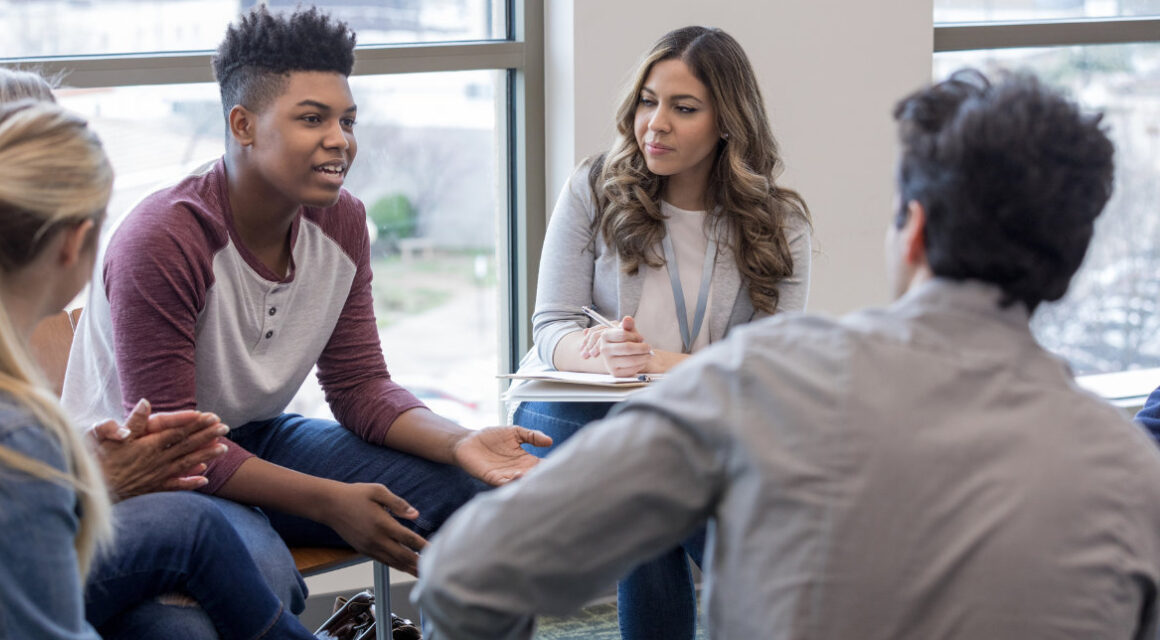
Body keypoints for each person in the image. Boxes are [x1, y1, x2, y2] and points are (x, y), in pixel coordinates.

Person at [416, 70, 1160, 639]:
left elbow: (465, 580)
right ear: (1069, 262)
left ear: (914, 231)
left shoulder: (762, 379)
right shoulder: (1135, 480)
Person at [61, 5, 550, 578]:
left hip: (260, 435)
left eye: (348, 121)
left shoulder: (341, 223)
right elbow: (177, 447)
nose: (339, 141)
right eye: (313, 119)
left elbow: (358, 385)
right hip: (142, 469)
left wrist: (460, 441)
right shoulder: (165, 239)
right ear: (243, 125)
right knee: (263, 573)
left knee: (467, 491)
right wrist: (329, 502)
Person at [0, 66, 312, 640]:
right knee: (185, 613)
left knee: (200, 532)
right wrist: (86, 482)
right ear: (72, 240)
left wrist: (81, 468)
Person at [511, 26, 811, 639]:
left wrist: (657, 364)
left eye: (684, 108)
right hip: (572, 413)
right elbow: (551, 326)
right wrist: (599, 356)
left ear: (727, 121)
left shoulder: (778, 224)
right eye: (648, 101)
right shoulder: (594, 188)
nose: (656, 124)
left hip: (689, 425)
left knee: (649, 476)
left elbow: (769, 364)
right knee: (648, 454)